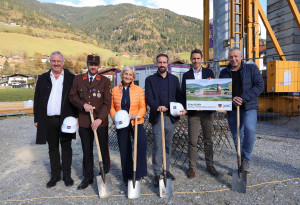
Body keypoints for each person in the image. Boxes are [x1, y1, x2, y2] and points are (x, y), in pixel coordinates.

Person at [34, 51, 77, 188]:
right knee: (52, 148)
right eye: (54, 61)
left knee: (66, 147)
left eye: (59, 61)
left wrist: (75, 117)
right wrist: (37, 118)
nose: (56, 63)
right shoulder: (43, 78)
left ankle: (67, 175)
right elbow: (37, 99)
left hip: (66, 120)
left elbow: (76, 98)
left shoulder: (71, 77)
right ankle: (55, 175)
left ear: (63, 62)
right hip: (48, 119)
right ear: (50, 62)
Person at [69, 54, 111, 189]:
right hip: (85, 121)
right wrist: (83, 105)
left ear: (99, 66)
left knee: (103, 149)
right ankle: (88, 177)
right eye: (91, 64)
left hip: (100, 122)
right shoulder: (78, 79)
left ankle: (104, 172)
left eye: (95, 64)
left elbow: (107, 103)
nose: (93, 67)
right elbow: (72, 96)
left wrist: (100, 119)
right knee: (86, 150)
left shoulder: (104, 80)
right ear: (87, 64)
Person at [145, 53, 187, 187]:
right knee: (158, 145)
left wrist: (182, 108)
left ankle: (166, 169)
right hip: (158, 118)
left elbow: (179, 96)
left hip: (170, 117)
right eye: (159, 62)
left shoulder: (174, 79)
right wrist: (157, 107)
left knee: (168, 145)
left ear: (167, 64)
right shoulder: (150, 79)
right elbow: (148, 97)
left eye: (164, 62)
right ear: (156, 63)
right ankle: (157, 173)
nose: (162, 64)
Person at [219, 47, 264, 172]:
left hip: (249, 107)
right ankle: (240, 161)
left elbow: (260, 85)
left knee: (249, 129)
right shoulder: (224, 72)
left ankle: (245, 158)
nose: (233, 59)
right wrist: (232, 98)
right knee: (236, 136)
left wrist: (243, 98)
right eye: (231, 57)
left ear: (241, 57)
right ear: (228, 58)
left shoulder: (251, 69)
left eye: (235, 56)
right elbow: (221, 91)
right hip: (232, 109)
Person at [181, 49, 219, 179]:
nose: (196, 61)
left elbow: (214, 90)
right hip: (194, 113)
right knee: (192, 140)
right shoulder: (186, 75)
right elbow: (184, 94)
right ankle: (192, 167)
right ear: (191, 60)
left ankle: (210, 164)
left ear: (201, 59)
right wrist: (188, 107)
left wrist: (211, 83)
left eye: (198, 58)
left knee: (208, 139)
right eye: (193, 58)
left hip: (207, 112)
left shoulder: (209, 72)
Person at [110, 65, 147, 186]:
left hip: (135, 121)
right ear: (122, 75)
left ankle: (140, 172)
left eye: (130, 74)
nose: (128, 76)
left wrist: (138, 115)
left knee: (141, 144)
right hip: (122, 124)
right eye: (126, 74)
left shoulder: (139, 90)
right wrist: (116, 118)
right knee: (124, 149)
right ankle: (128, 176)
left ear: (133, 77)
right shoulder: (115, 90)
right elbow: (111, 107)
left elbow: (143, 107)